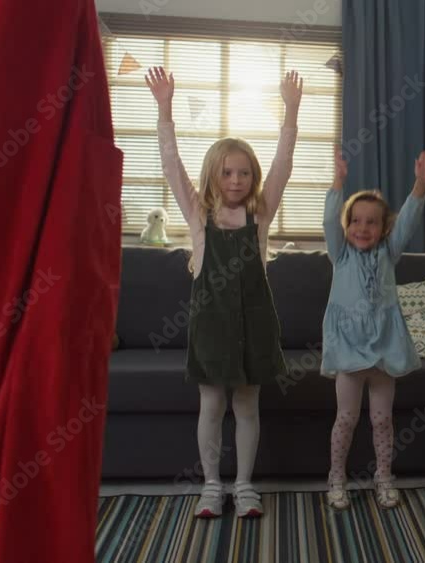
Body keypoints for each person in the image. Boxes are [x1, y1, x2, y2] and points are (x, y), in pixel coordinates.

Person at [146, 65, 303, 516]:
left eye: (244, 173)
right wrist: (164, 108)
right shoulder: (199, 216)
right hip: (211, 327)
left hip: (255, 325)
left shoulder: (261, 215)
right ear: (213, 176)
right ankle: (212, 486)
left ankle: (245, 485)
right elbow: (171, 165)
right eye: (227, 172)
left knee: (248, 404)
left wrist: (292, 111)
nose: (236, 180)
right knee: (212, 405)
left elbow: (283, 165)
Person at [321, 147, 425, 510]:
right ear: (347, 225)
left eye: (371, 222)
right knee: (346, 418)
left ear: (384, 228)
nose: (362, 228)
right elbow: (329, 220)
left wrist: (420, 184)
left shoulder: (389, 251)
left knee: (382, 420)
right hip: (349, 349)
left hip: (384, 348)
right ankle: (336, 477)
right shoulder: (340, 254)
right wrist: (338, 182)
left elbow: (408, 221)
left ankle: (383, 477)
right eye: (355, 221)